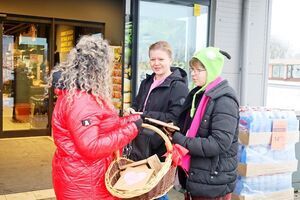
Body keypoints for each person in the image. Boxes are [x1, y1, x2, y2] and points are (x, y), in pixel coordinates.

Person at [48, 35, 142, 200]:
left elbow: (102, 125)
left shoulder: (82, 93)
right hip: (85, 183)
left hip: (84, 178)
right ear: (98, 67)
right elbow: (91, 146)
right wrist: (131, 129)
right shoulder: (81, 100)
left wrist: (130, 121)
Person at [168, 47, 239, 200]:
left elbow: (218, 143)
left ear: (211, 70)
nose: (193, 74)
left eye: (198, 70)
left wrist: (180, 140)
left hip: (213, 182)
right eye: (192, 69)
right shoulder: (198, 94)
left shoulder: (224, 100)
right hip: (198, 176)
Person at [126, 41, 189, 200]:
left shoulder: (178, 86)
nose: (156, 63)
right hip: (139, 144)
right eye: (152, 59)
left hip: (159, 147)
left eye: (161, 59)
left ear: (170, 60)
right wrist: (131, 110)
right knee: (141, 189)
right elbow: (137, 104)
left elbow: (174, 119)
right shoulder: (146, 82)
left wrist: (144, 114)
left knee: (157, 191)